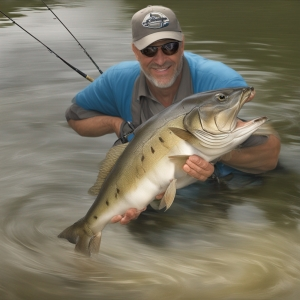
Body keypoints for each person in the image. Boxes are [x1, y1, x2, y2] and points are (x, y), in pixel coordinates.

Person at [65, 5, 280, 224]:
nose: (160, 59)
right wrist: (116, 124)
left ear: (182, 44)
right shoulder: (117, 80)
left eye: (169, 47)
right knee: (144, 228)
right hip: (160, 182)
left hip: (227, 182)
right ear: (135, 51)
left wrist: (216, 154)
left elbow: (269, 157)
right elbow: (75, 118)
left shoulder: (220, 84)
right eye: (149, 50)